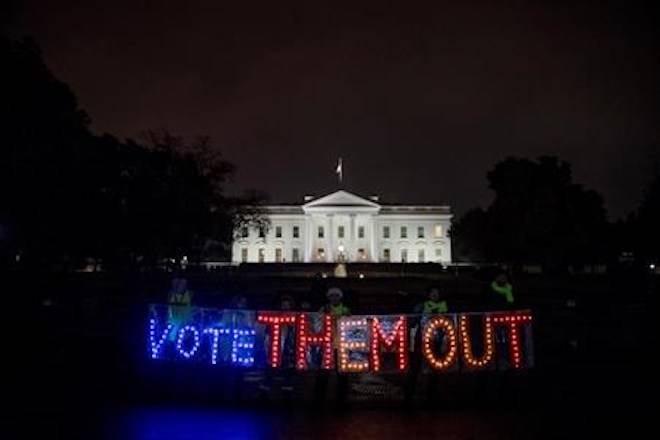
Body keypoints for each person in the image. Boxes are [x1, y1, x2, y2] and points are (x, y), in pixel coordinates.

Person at [315, 287, 351, 404]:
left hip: (341, 346)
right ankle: (319, 400)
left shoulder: (346, 310)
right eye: (332, 296)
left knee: (342, 374)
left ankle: (341, 400)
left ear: (340, 297)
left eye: (336, 296)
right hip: (326, 346)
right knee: (323, 374)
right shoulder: (323, 309)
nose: (334, 298)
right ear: (328, 297)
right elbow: (316, 324)